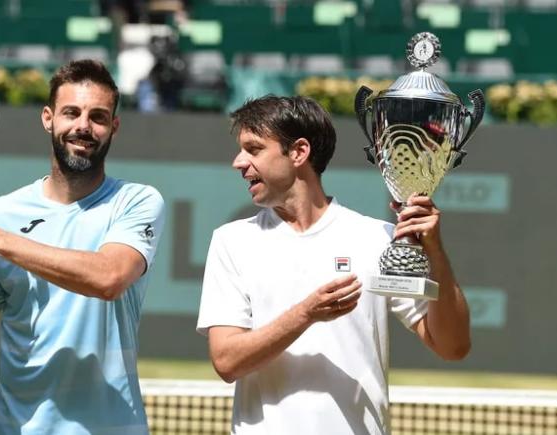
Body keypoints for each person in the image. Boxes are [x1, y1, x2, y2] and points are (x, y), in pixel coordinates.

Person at [0, 59, 166, 434]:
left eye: (97, 116)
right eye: (71, 113)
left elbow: (108, 277)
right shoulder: (6, 211)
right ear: (48, 118)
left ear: (114, 126)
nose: (83, 126)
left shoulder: (137, 201)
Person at [196, 95, 470, 434]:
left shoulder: (378, 237)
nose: (239, 162)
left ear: (298, 152)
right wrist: (306, 313)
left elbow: (453, 346)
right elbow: (226, 361)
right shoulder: (231, 241)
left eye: (254, 149)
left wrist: (435, 251)